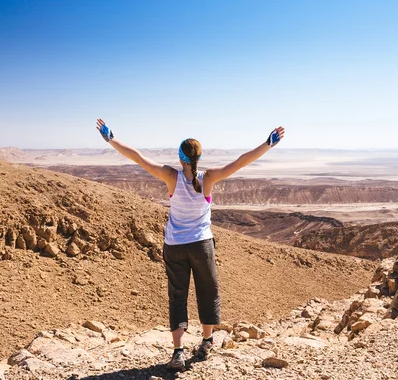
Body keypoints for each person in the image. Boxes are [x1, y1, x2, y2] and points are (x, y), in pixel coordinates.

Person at [95, 118, 285, 371]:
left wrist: (110, 138)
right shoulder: (209, 178)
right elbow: (241, 161)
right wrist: (268, 143)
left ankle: (177, 352)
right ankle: (207, 342)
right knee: (207, 291)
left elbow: (138, 157)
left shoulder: (170, 176)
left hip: (174, 246)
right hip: (201, 245)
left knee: (177, 295)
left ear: (180, 157)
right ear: (199, 157)